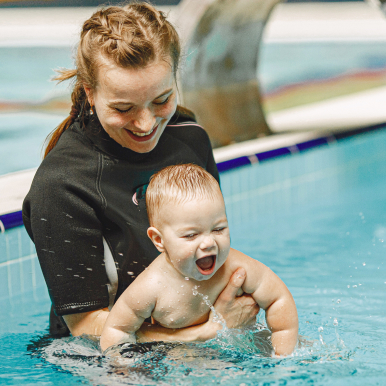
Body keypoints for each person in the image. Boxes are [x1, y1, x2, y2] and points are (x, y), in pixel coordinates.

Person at [22, 2, 259, 340]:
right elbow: (86, 328)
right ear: (90, 93)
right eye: (123, 108)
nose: (146, 124)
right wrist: (209, 331)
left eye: (161, 99)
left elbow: (209, 248)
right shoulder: (62, 185)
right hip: (100, 360)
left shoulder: (190, 138)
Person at [100, 164, 298, 356]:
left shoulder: (237, 267)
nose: (209, 242)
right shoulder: (152, 286)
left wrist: (283, 354)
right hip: (182, 361)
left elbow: (278, 299)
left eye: (219, 229)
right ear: (159, 240)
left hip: (241, 352)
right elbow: (117, 330)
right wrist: (123, 369)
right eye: (191, 235)